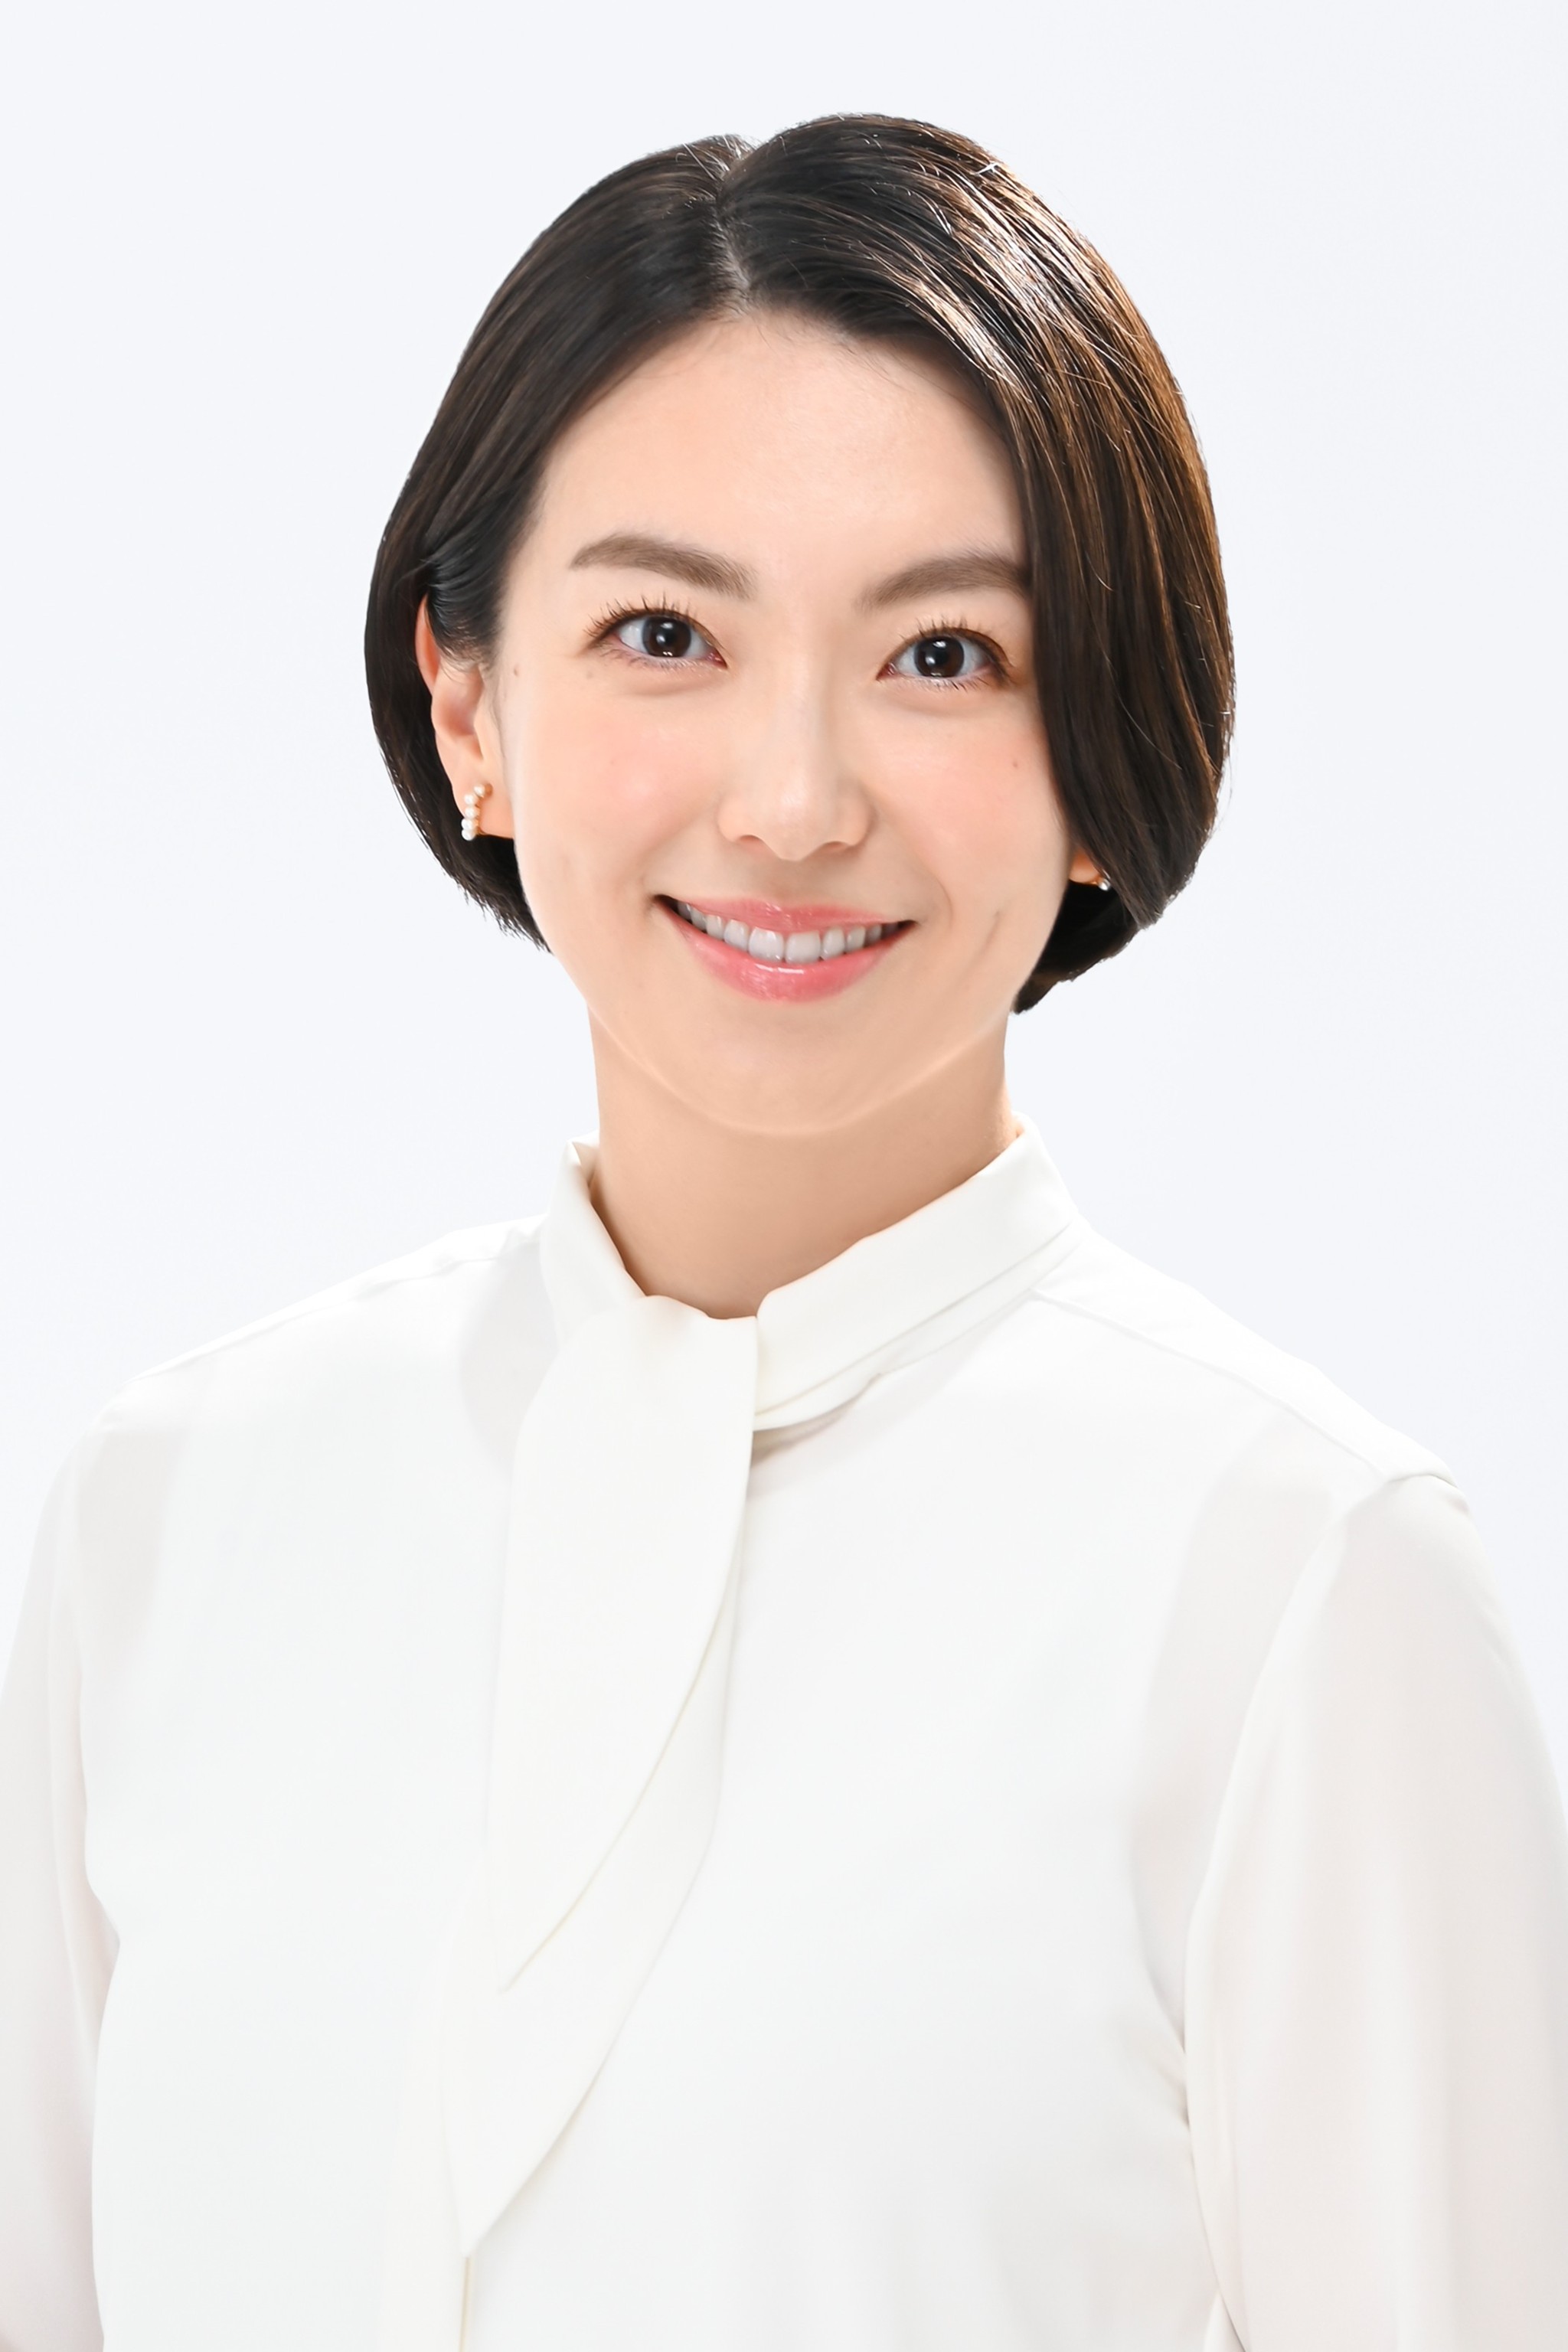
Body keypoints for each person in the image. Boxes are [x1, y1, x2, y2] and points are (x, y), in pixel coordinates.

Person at [2, 114, 1565, 2352]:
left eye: (946, 655)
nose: (798, 800)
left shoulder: (1298, 1582)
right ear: (470, 707)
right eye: (665, 633)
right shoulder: (172, 1520)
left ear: (1100, 750)